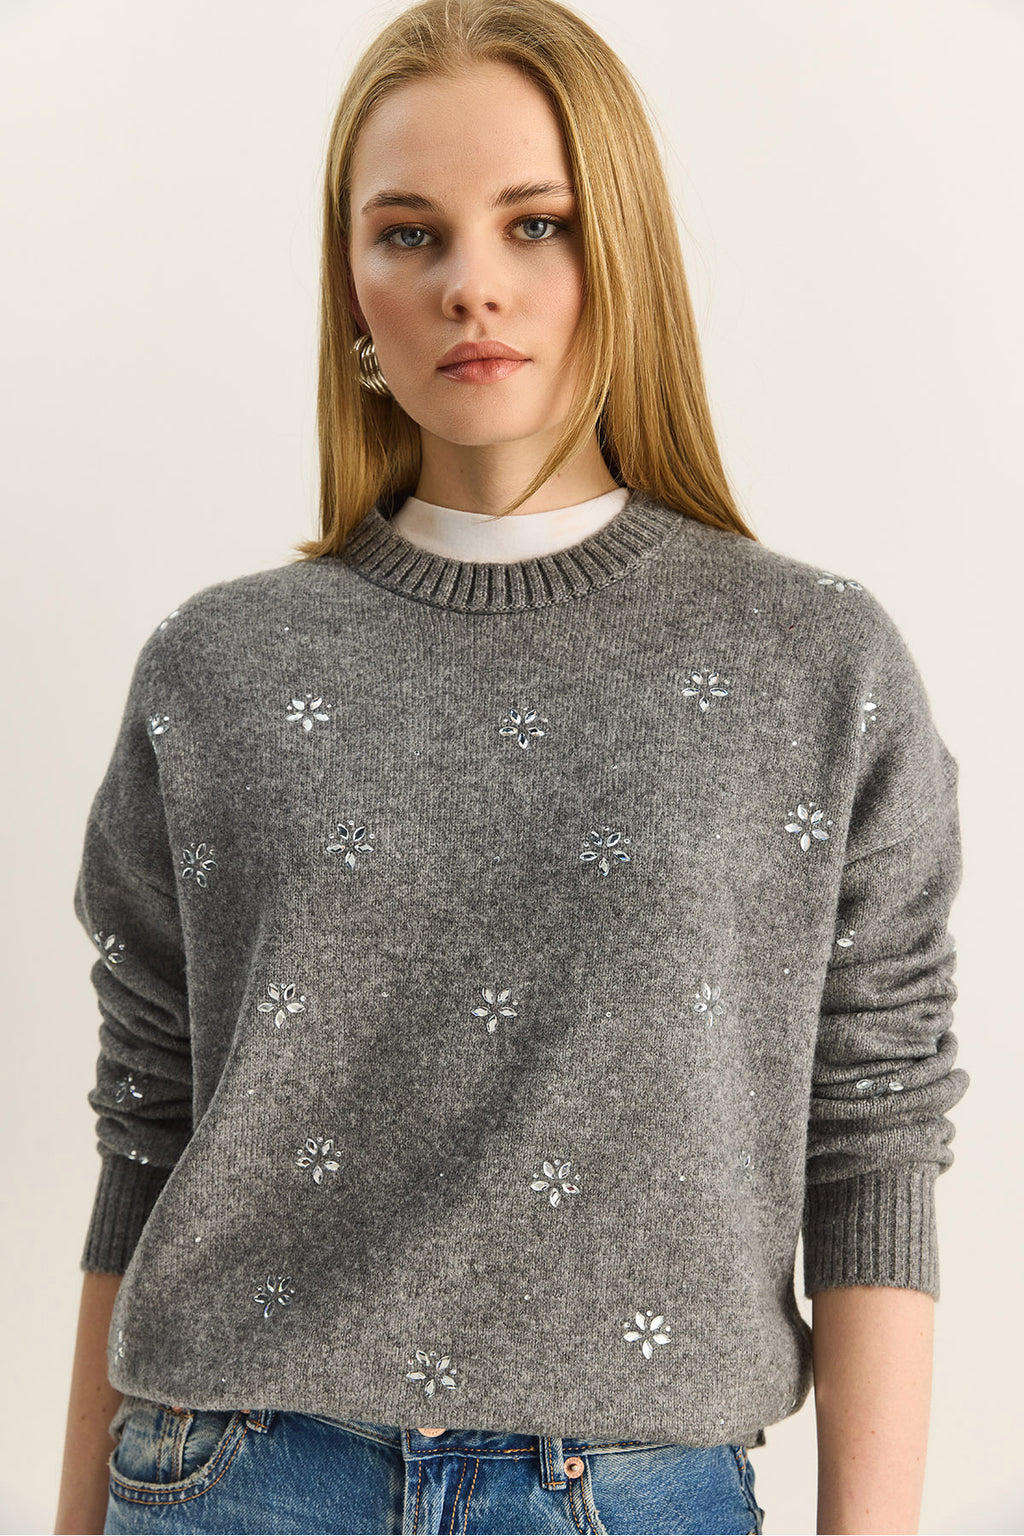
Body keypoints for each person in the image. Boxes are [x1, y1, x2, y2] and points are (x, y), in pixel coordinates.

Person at [55, 1, 968, 1532]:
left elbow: (874, 1136)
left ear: (623, 252)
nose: (470, 282)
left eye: (534, 223)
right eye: (408, 234)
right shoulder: (218, 669)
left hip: (640, 1491)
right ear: (351, 289)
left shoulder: (817, 664)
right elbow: (146, 1126)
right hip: (236, 1481)